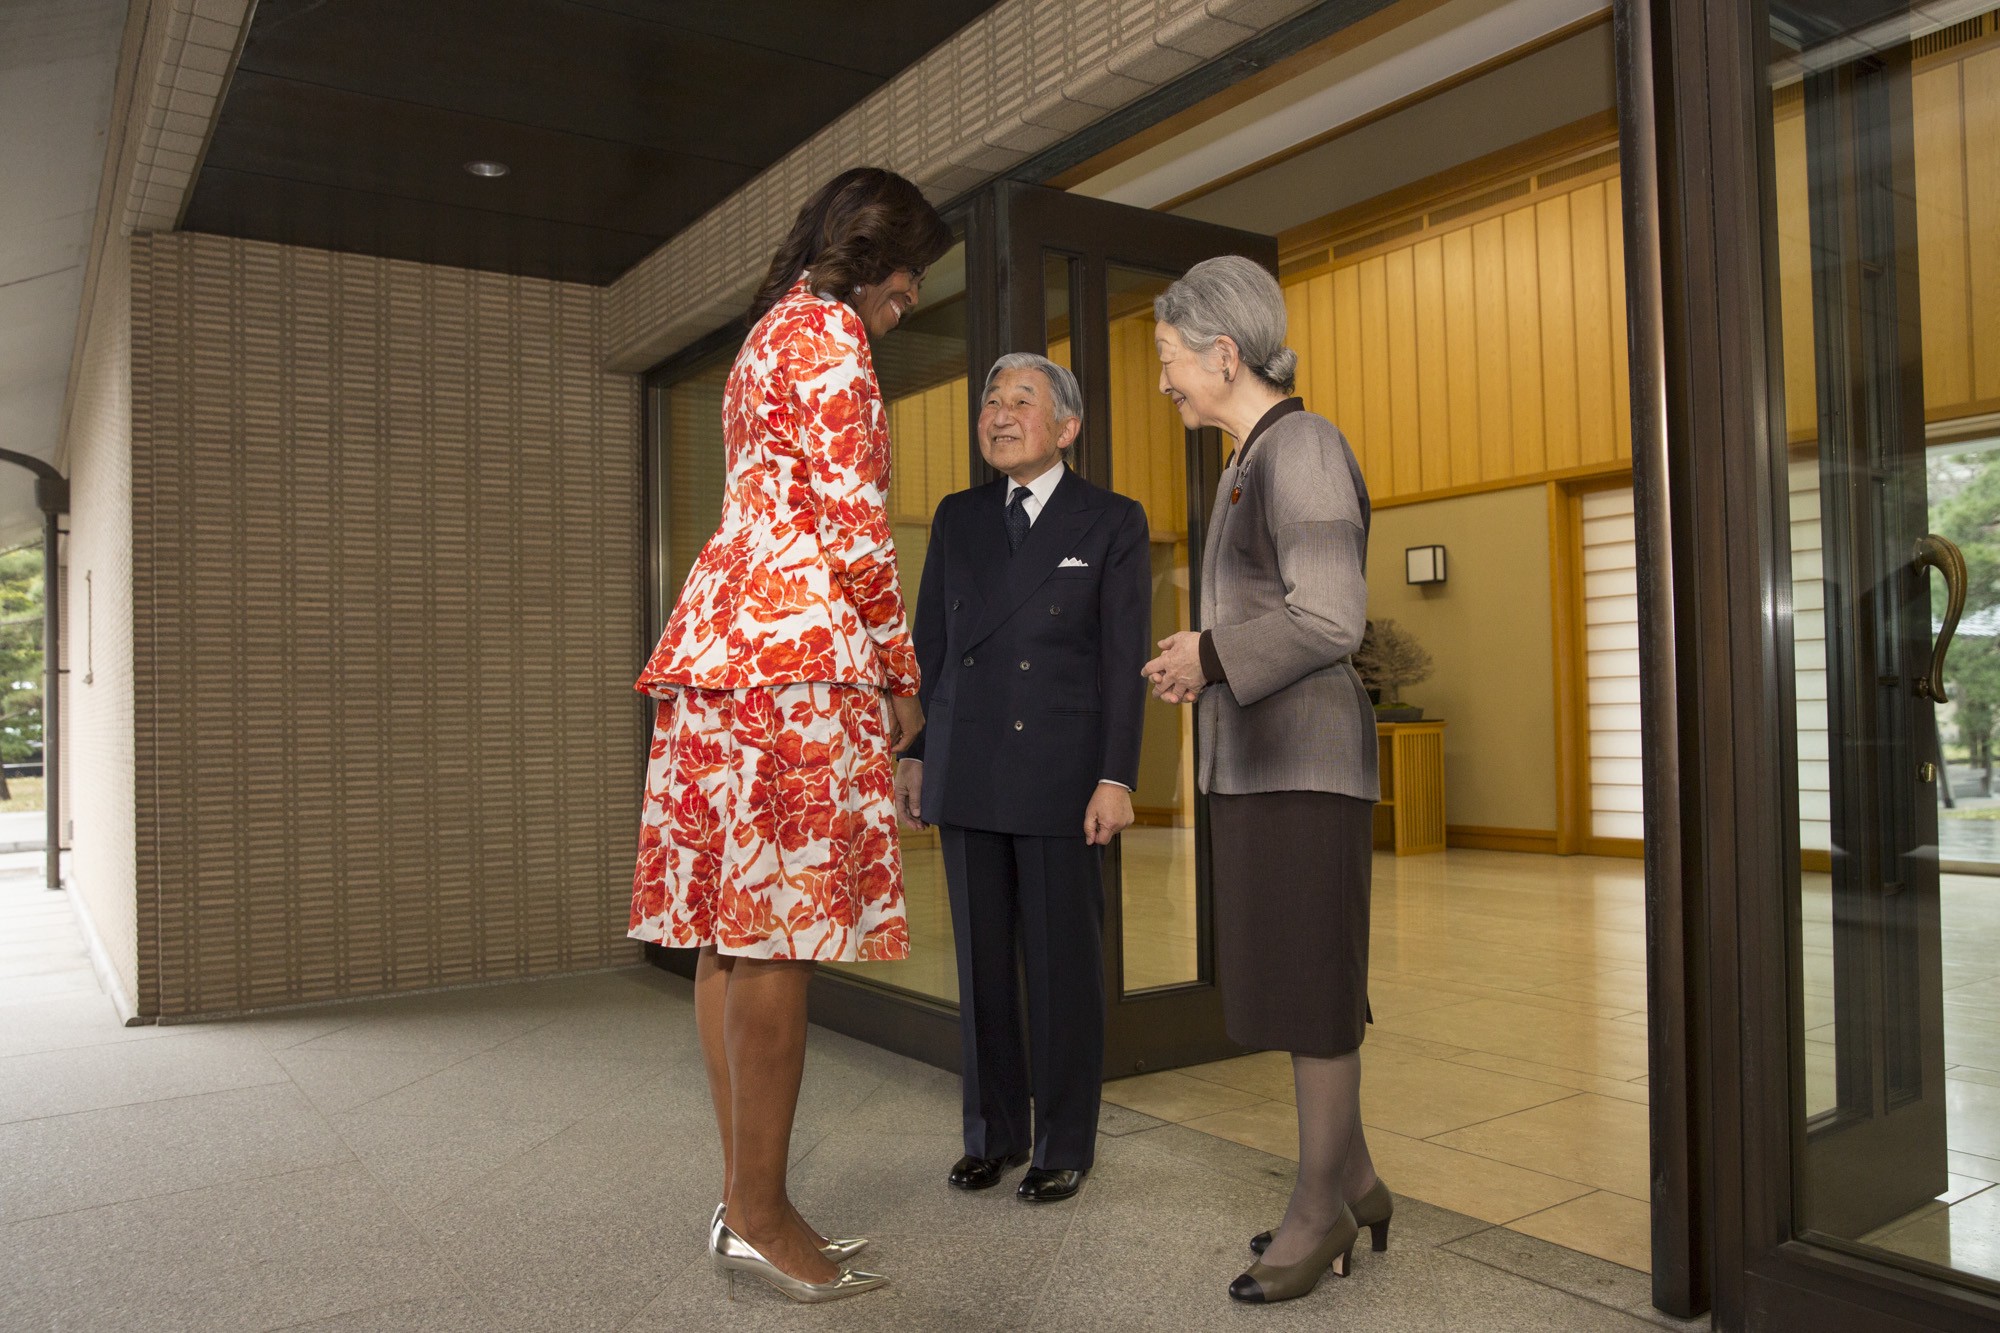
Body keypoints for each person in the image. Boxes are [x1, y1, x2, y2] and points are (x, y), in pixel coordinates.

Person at [628, 166, 950, 1305]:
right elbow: (855, 525)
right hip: (796, 653)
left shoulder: (764, 335)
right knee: (773, 935)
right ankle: (759, 1211)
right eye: (904, 289)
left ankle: (745, 1200)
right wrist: (899, 672)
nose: (902, 311)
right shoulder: (830, 337)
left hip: (724, 642)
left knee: (727, 929)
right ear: (871, 255)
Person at [1140, 255, 1391, 1305]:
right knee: (1295, 981)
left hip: (1304, 767)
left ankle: (1316, 1211)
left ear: (1223, 353)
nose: (1162, 383)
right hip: (1260, 765)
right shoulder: (1249, 456)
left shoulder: (1305, 448)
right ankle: (1359, 1178)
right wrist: (1203, 654)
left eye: (1168, 361)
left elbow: (1331, 615)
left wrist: (1208, 652)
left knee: (1311, 992)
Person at [892, 353, 1150, 1205]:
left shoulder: (1109, 519)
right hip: (967, 767)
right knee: (982, 968)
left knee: (1061, 970)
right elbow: (928, 649)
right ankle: (993, 1133)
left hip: (1059, 776)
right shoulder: (958, 516)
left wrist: (1116, 776)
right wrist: (915, 754)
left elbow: (1120, 664)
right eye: (991, 401)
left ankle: (1064, 1141)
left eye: (1021, 402)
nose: (999, 414)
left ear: (1067, 428)